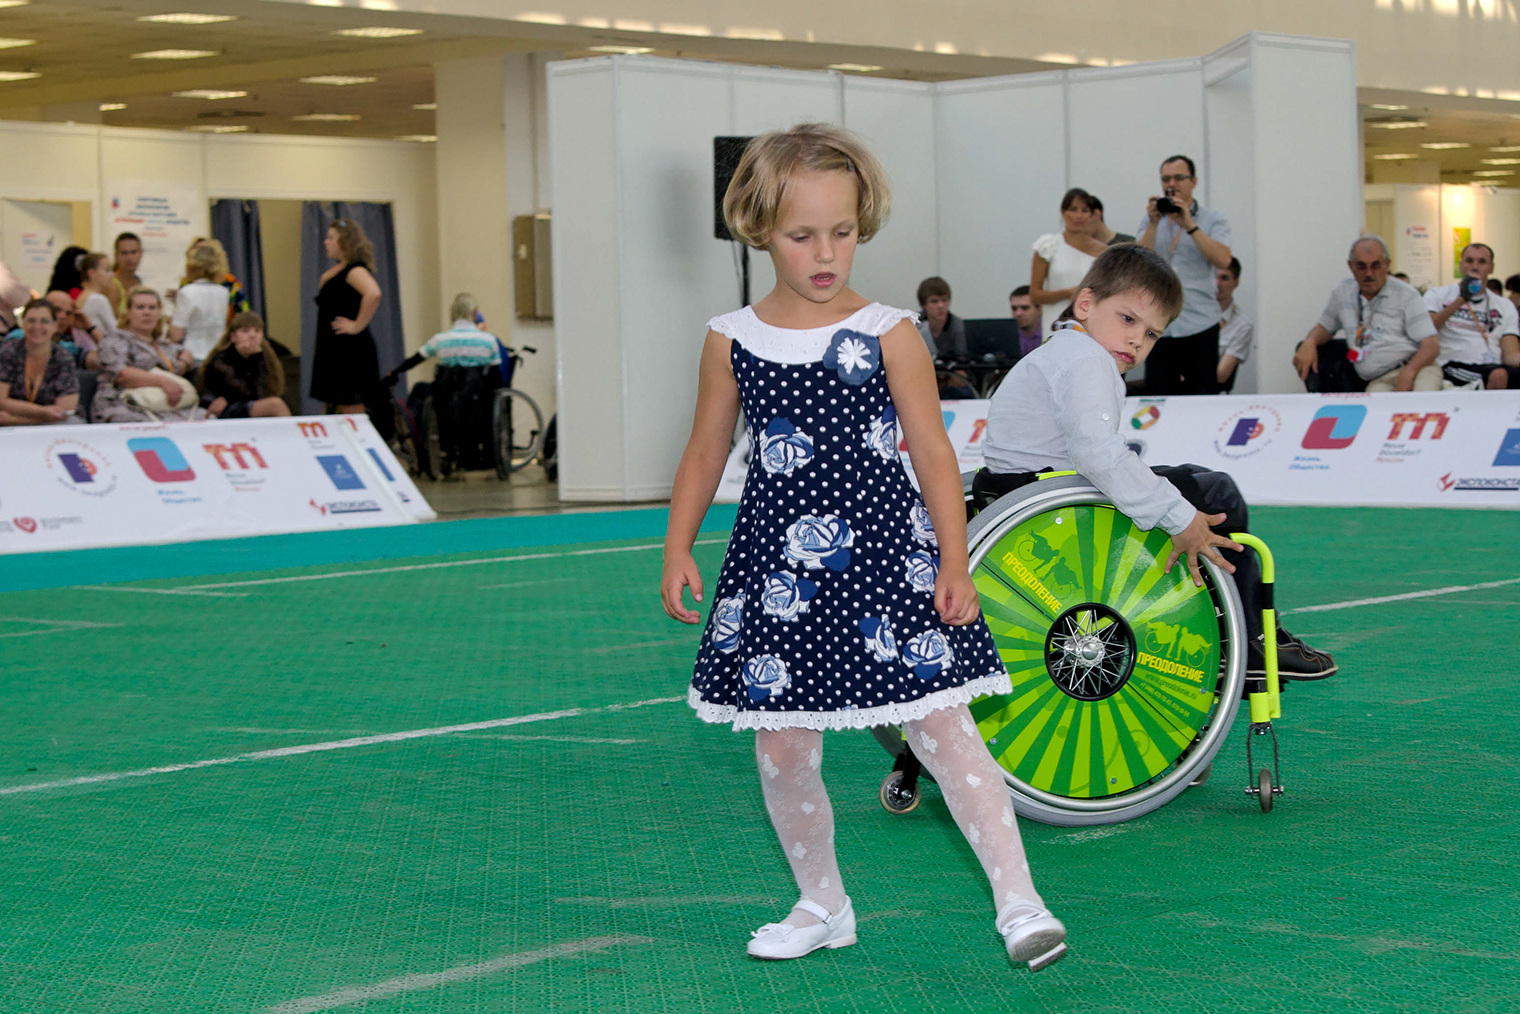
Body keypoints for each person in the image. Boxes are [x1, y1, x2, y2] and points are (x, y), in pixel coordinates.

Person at [662, 123, 1067, 972]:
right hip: (776, 576)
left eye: (841, 232)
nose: (825, 253)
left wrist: (954, 561)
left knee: (945, 732)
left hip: (891, 564)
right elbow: (705, 449)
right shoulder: (730, 338)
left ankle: (1020, 901)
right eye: (801, 234)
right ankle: (822, 903)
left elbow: (934, 453)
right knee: (782, 745)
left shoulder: (890, 332)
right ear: (759, 228)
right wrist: (679, 545)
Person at [976, 244, 1335, 680]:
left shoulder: (1056, 353)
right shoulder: (1088, 359)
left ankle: (1238, 632)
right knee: (1215, 492)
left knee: (1193, 480)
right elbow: (1098, 453)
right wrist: (1180, 517)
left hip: (1015, 496)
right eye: (1128, 320)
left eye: (1151, 335)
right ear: (1086, 303)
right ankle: (1248, 640)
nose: (1136, 340)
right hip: (1056, 509)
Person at [1136, 155, 1233, 394]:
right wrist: (1152, 224)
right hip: (1159, 324)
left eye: (1179, 177)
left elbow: (1223, 259)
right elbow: (1138, 263)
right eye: (1166, 179)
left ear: (1194, 181)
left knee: (1202, 397)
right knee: (1158, 398)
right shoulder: (1152, 220)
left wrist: (1189, 225)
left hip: (1200, 322)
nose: (1172, 183)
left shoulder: (1213, 219)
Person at [1293, 236, 1441, 392]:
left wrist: (1409, 372)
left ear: (1387, 265)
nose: (1369, 273)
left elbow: (1431, 346)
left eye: (1375, 265)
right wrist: (1310, 341)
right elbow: (1325, 327)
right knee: (1376, 412)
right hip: (1380, 379)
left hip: (1418, 368)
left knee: (1421, 404)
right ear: (1351, 266)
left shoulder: (1406, 295)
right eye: (1361, 266)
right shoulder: (1342, 292)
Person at [382, 292, 505, 469]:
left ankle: (435, 446)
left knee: (424, 390)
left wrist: (394, 372)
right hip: (478, 399)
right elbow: (496, 376)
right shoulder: (488, 340)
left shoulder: (441, 339)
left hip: (446, 396)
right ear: (474, 313)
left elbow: (416, 359)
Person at [310, 218, 384, 415]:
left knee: (351, 407)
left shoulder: (354, 270)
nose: (326, 242)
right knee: (334, 406)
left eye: (331, 238)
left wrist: (357, 325)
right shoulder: (337, 271)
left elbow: (374, 293)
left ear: (344, 242)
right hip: (334, 349)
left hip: (350, 351)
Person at [92, 287, 196, 423]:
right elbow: (122, 375)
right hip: (123, 403)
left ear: (159, 314)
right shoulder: (115, 338)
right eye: (140, 307)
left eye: (152, 308)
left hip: (162, 403)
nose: (147, 312)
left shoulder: (163, 345)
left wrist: (183, 363)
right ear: (128, 313)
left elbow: (185, 352)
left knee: (207, 417)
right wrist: (162, 381)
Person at [1425, 243, 1520, 390]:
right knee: (1498, 375)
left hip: (1494, 366)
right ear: (1461, 265)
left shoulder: (1505, 305)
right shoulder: (1437, 295)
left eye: (1482, 262)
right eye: (1469, 261)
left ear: (1491, 268)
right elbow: (1426, 329)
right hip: (1453, 364)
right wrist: (1461, 299)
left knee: (1501, 374)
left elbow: (1511, 355)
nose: (1475, 267)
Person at [1031, 188, 1107, 339]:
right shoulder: (1048, 246)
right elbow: (1035, 295)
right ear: (1063, 212)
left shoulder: (1103, 251)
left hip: (1092, 323)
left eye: (1084, 210)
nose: (1078, 216)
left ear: (1092, 215)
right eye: (1073, 209)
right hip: (1056, 322)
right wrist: (1067, 293)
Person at [0, 298, 79, 425]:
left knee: (72, 422)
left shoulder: (63, 358)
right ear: (22, 325)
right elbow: (1, 401)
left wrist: (14, 420)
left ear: (55, 326)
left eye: (44, 321)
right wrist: (43, 412)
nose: (37, 326)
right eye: (31, 321)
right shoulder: (8, 351)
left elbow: (65, 411)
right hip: (12, 422)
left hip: (47, 423)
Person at [198, 311, 290, 418]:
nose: (252, 335)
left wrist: (257, 358)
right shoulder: (220, 360)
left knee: (274, 404)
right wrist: (256, 358)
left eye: (257, 331)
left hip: (244, 404)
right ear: (233, 337)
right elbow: (243, 392)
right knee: (275, 405)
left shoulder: (263, 357)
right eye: (245, 331)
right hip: (221, 408)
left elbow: (263, 391)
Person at [168, 241, 231, 363]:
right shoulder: (224, 292)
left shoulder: (186, 292)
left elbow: (176, 335)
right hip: (218, 355)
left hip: (192, 356)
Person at [914, 276, 975, 399]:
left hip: (950, 378)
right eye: (934, 301)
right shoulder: (913, 324)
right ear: (924, 305)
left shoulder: (957, 325)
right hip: (921, 377)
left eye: (944, 300)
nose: (941, 305)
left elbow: (962, 357)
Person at [1215, 257, 1253, 393]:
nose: (1217, 283)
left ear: (1236, 283)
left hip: (1211, 394)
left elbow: (1221, 375)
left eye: (1224, 278)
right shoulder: (1190, 316)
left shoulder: (1242, 325)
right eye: (1214, 277)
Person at [75, 253, 119, 342]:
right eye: (107, 270)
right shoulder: (98, 299)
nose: (112, 274)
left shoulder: (82, 296)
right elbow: (116, 331)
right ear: (92, 273)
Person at [107, 232, 144, 313]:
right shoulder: (111, 285)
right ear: (116, 255)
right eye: (124, 253)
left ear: (141, 253)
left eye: (133, 252)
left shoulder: (138, 282)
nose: (129, 258)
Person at [1009, 285, 1043, 357]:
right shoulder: (1007, 337)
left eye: (1025, 308)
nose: (1018, 313)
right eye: (1014, 308)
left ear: (1039, 309)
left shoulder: (1050, 334)